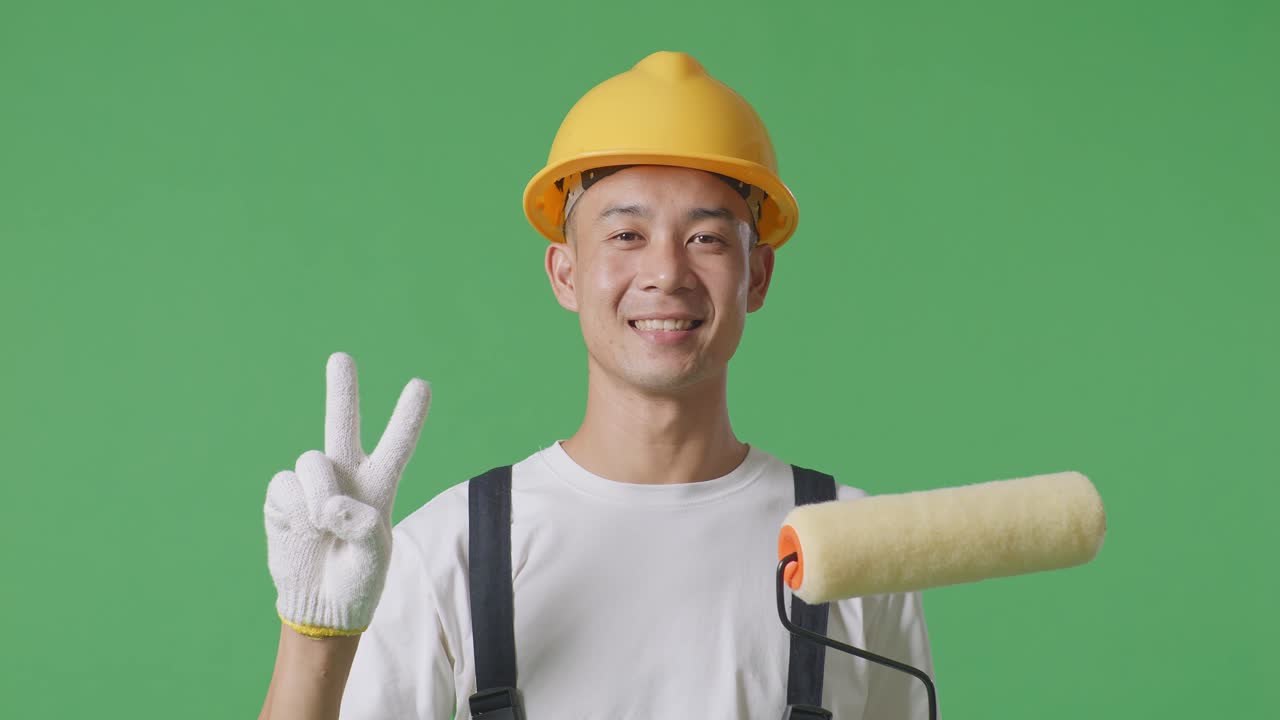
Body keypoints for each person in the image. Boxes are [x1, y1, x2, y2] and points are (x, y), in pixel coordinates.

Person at [259, 51, 937, 720]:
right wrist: (313, 637)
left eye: (706, 238)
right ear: (564, 273)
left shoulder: (850, 550)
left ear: (756, 276)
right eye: (626, 234)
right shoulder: (448, 551)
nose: (666, 273)